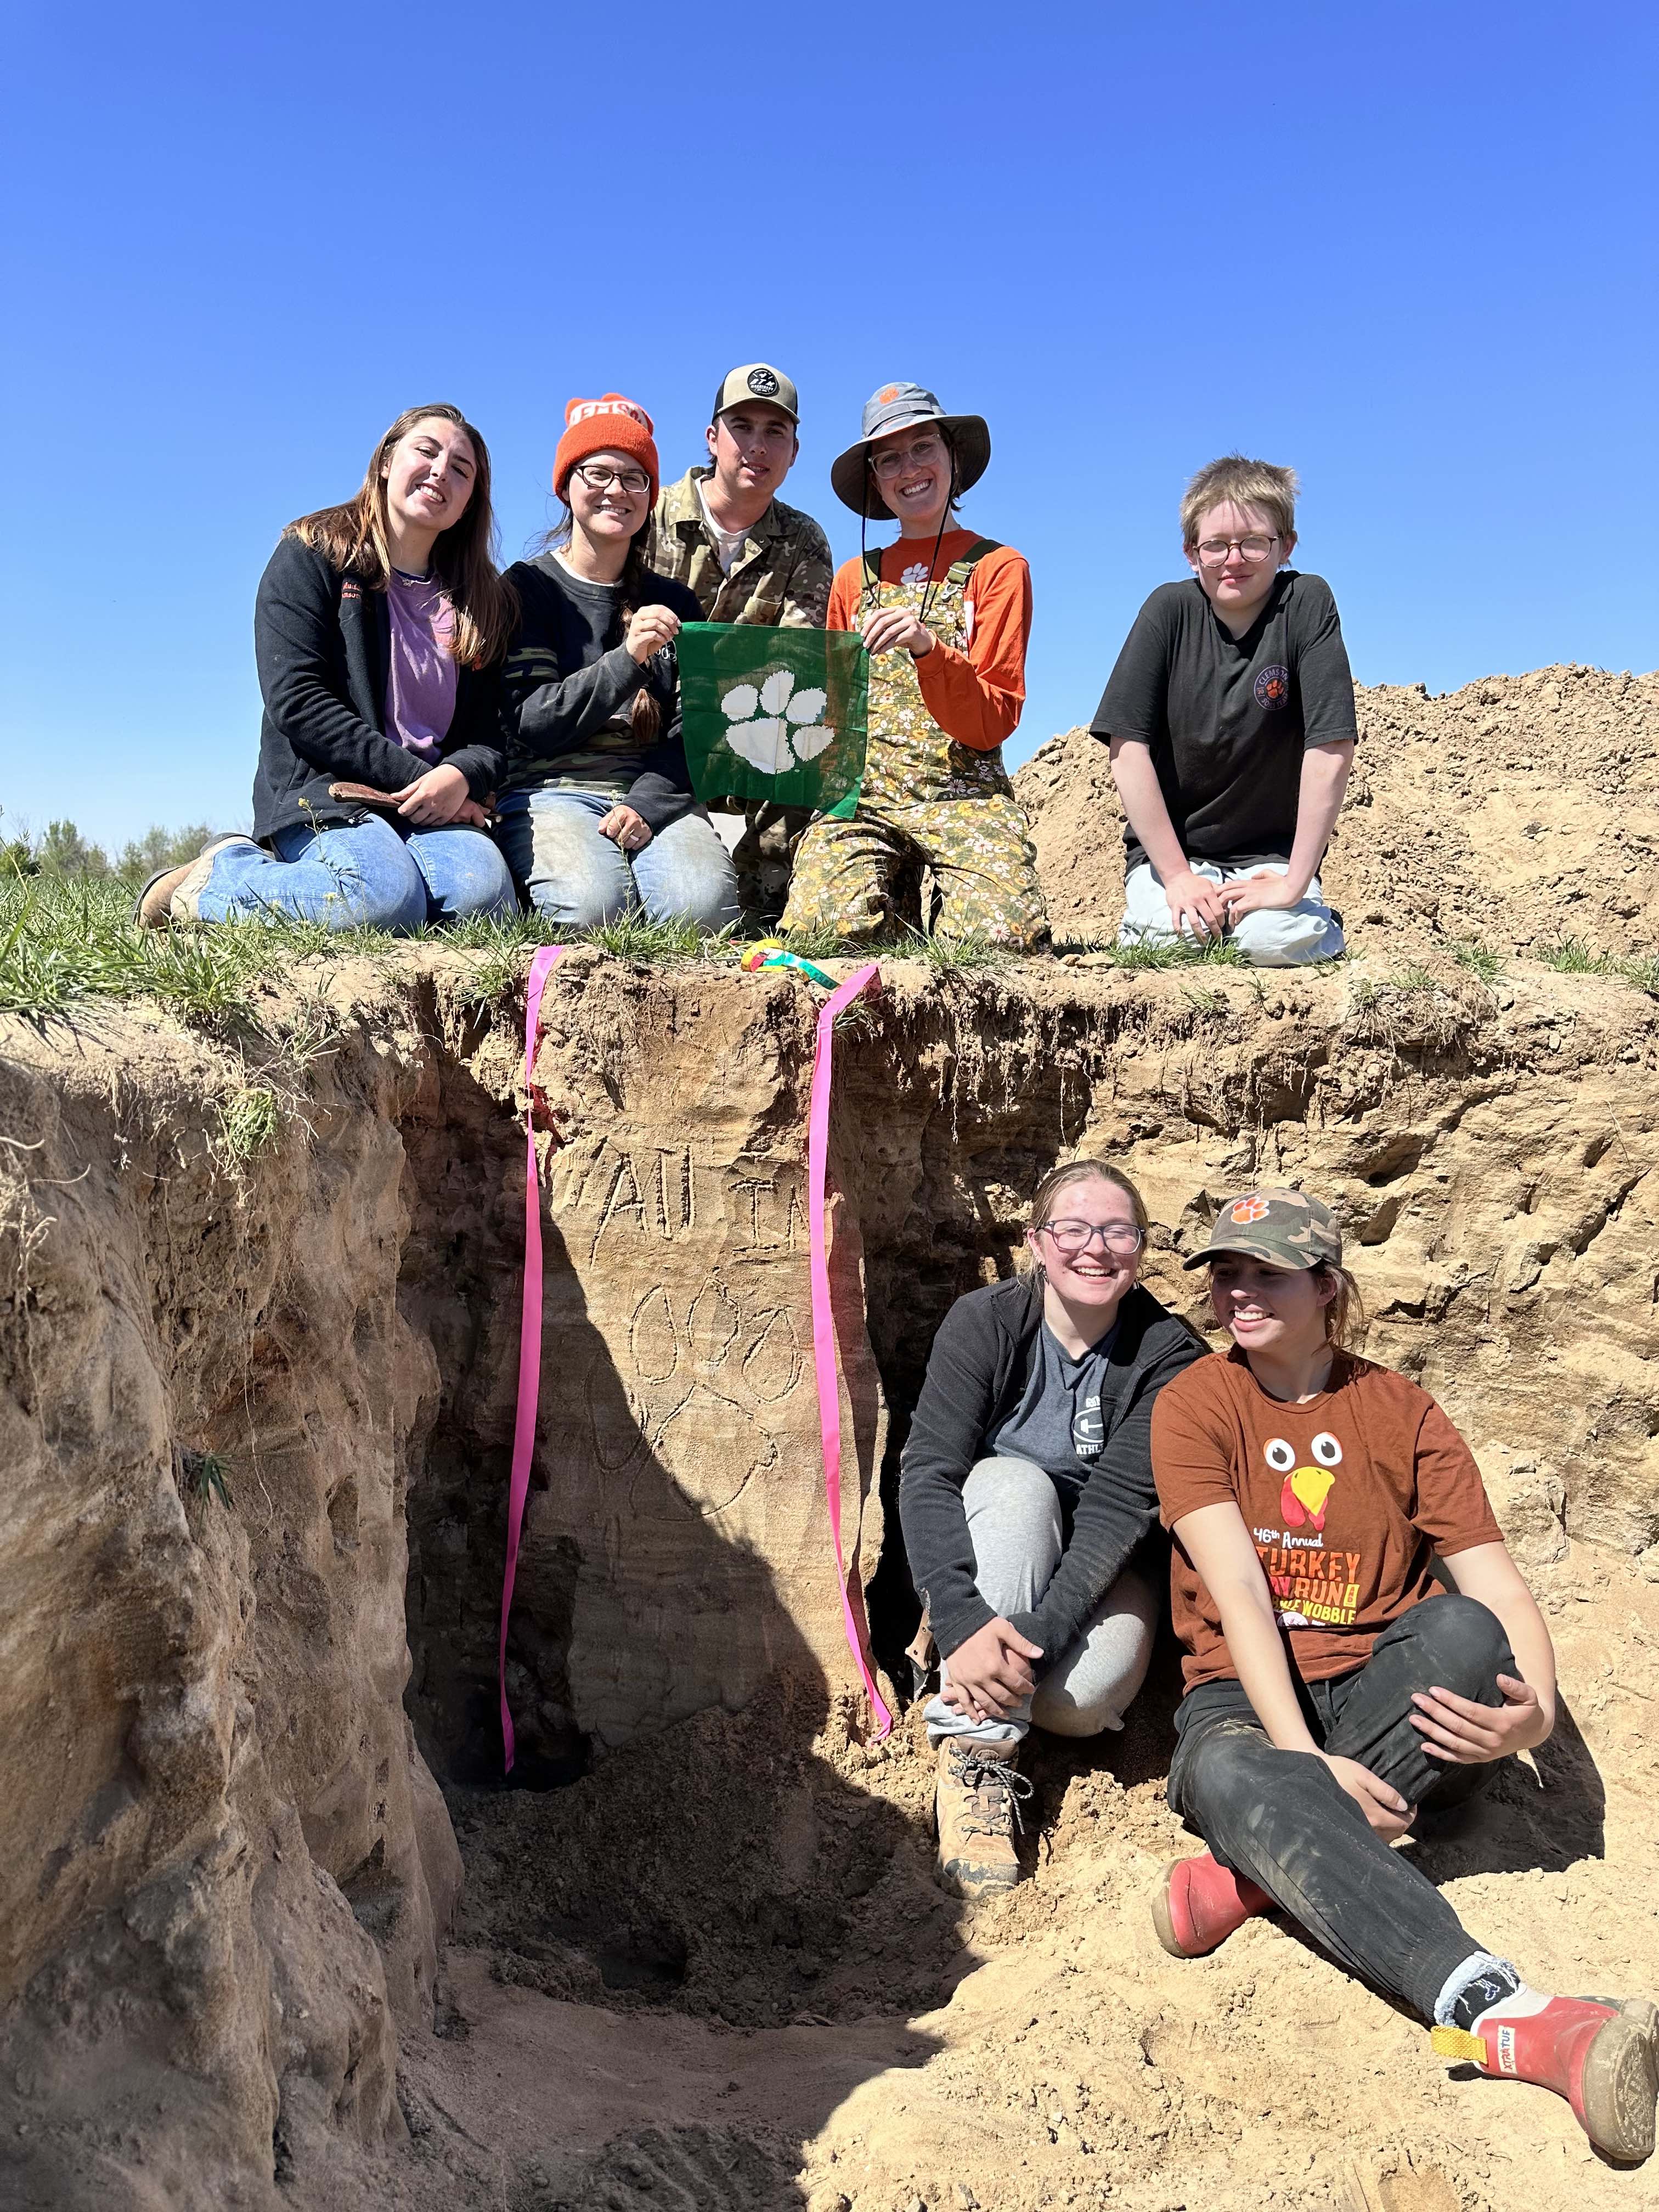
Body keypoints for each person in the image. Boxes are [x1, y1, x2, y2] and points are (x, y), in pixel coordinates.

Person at [1150, 1187, 1657, 2163]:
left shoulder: (1400, 1408)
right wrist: (1306, 1762)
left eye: (1267, 1273)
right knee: (1228, 1770)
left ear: (1325, 1287)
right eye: (1225, 1273)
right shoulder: (1196, 1403)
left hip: (1384, 1693)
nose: (1239, 1291)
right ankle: (1507, 2013)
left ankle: (1254, 1874)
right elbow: (1240, 1593)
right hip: (1246, 1701)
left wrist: (1536, 1721)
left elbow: (1494, 1584)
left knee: (1463, 1629)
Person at [899, 1160, 1204, 1899]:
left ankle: (987, 1688)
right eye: (1073, 1229)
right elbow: (929, 1472)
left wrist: (1028, 1650)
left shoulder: (1169, 1356)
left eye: (1118, 1232)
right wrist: (964, 1622)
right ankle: (977, 1756)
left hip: (1102, 1569)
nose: (1095, 1249)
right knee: (1017, 1486)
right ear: (1036, 1242)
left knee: (1081, 1702)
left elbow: (1115, 1514)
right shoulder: (985, 1322)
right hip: (997, 1546)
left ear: (1141, 1248)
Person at [137, 404, 518, 930]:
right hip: (329, 790)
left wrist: (461, 775)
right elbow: (298, 701)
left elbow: (492, 730)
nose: (440, 473)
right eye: (426, 452)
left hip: (429, 806)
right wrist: (425, 781)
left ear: (470, 501)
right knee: (382, 898)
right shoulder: (312, 554)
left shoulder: (482, 599)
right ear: (386, 462)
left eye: (461, 469)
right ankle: (216, 877)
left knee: (487, 901)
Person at [780, 383, 1048, 951]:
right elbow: (837, 710)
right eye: (889, 459)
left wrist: (931, 651)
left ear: (954, 457)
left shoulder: (998, 568)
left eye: (924, 447)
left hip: (965, 798)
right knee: (825, 933)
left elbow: (991, 722)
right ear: (875, 481)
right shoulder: (853, 579)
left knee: (1000, 941)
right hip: (866, 801)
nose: (910, 469)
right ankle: (888, 905)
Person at [1092, 455, 1356, 966]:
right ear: (1192, 554)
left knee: (1272, 941)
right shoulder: (1168, 611)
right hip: (1177, 855)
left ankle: (1313, 923)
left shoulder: (1306, 603)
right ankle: (1160, 918)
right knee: (1174, 940)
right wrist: (1178, 877)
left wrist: (1293, 882)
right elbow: (1127, 749)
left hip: (1270, 858)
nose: (1234, 559)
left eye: (1254, 542)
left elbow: (1330, 746)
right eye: (1216, 545)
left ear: (1286, 546)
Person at [495, 395, 738, 932]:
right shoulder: (526, 588)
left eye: (634, 478)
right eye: (598, 473)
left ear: (650, 497)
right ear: (566, 485)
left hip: (655, 794)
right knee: (592, 911)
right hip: (550, 790)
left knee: (703, 912)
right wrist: (627, 660)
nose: (617, 490)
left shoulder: (676, 601)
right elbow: (532, 721)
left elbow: (695, 731)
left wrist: (647, 806)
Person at [646, 363, 833, 930]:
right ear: (712, 438)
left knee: (808, 730)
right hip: (646, 728)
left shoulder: (804, 540)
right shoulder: (648, 514)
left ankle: (761, 906)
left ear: (795, 451)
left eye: (775, 432)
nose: (758, 446)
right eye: (742, 427)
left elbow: (797, 661)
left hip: (741, 726)